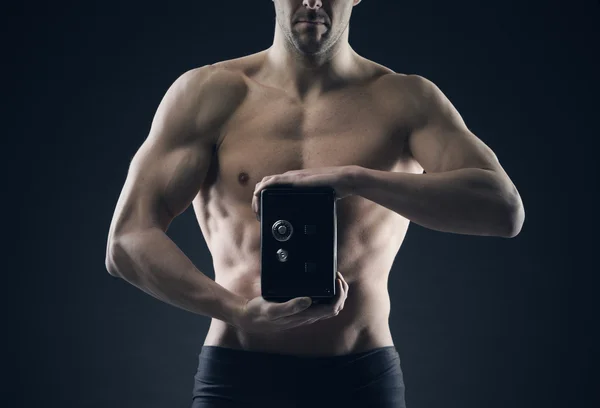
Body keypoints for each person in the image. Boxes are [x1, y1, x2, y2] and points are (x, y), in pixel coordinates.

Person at [105, 0, 525, 407]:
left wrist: (354, 178)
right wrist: (238, 310)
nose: (312, 1)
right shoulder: (210, 93)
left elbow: (503, 209)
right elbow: (127, 239)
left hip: (361, 376)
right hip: (238, 374)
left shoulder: (404, 99)